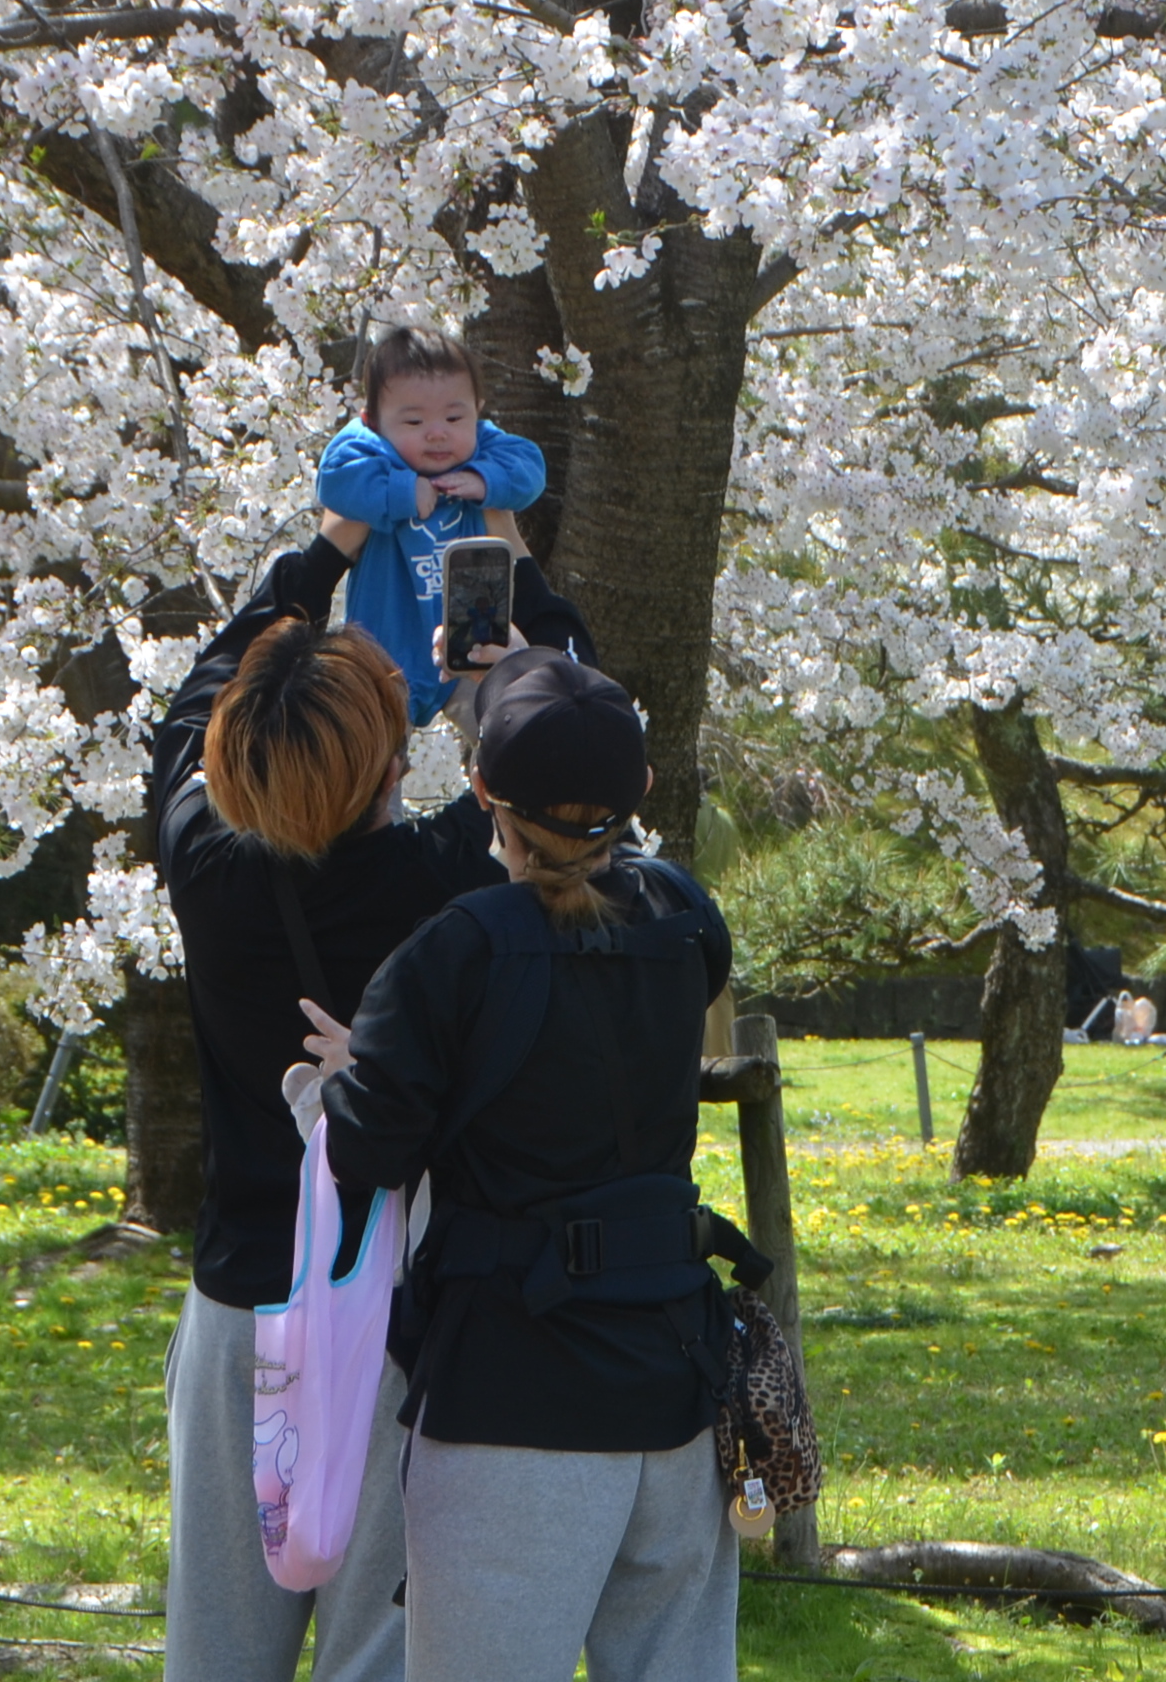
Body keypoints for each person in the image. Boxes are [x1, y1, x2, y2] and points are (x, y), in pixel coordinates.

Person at [150, 508, 594, 1682]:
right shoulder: (440, 880)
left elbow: (191, 703)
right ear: (395, 767)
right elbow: (575, 768)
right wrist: (509, 649)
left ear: (228, 756)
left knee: (215, 1648)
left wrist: (329, 547)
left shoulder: (203, 866)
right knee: (376, 1655)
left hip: (242, 1302)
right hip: (397, 1316)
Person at [298, 647, 739, 1682]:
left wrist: (349, 1076)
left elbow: (369, 1153)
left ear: (484, 788)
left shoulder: (453, 949)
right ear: (641, 793)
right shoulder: (686, 918)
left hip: (512, 1395)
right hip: (677, 1382)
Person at [316, 322, 548, 728]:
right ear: (372, 421)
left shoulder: (484, 448)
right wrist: (403, 492)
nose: (438, 434)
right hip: (386, 657)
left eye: (455, 417)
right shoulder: (372, 454)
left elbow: (530, 469)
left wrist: (483, 481)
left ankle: (504, 790)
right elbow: (334, 478)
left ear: (477, 408)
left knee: (512, 731)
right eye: (414, 423)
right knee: (372, 764)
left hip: (472, 646)